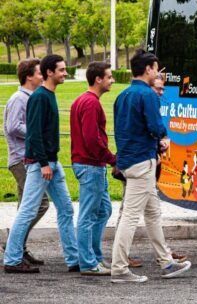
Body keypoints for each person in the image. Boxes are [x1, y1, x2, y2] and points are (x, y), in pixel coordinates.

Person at [110, 50, 191, 283]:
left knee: (152, 212)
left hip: (128, 159)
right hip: (142, 160)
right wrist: (162, 139)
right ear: (147, 69)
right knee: (131, 216)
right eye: (156, 68)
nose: (157, 73)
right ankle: (119, 268)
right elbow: (155, 125)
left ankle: (166, 261)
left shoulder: (122, 95)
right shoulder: (147, 95)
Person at [4, 55, 79, 274]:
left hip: (51, 163)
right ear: (49, 72)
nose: (65, 73)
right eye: (62, 70)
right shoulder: (38, 97)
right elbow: (34, 134)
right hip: (41, 165)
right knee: (28, 211)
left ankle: (74, 259)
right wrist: (44, 163)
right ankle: (12, 258)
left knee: (66, 209)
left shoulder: (48, 95)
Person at [70, 62, 116, 276]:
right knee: (88, 216)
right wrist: (111, 159)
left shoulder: (82, 100)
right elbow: (92, 139)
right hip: (90, 165)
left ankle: (94, 257)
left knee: (104, 209)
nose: (112, 80)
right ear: (98, 79)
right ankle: (88, 262)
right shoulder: (91, 103)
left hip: (89, 164)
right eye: (109, 77)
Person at [2, 58, 49, 267]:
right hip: (21, 159)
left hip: (27, 158)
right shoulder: (19, 99)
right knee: (40, 204)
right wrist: (37, 135)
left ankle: (17, 248)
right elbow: (13, 127)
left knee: (25, 207)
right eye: (40, 73)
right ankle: (14, 244)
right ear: (29, 76)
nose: (43, 76)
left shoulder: (30, 97)